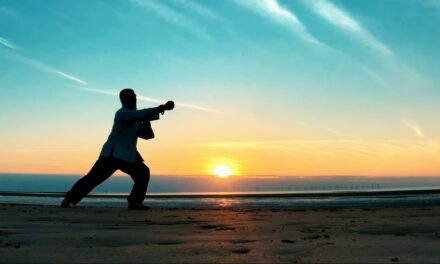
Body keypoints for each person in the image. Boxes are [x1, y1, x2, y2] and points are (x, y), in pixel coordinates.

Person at [61, 88, 174, 210]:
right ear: (124, 100)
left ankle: (135, 202)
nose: (134, 98)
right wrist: (161, 108)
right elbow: (138, 115)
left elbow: (148, 136)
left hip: (128, 154)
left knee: (143, 173)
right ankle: (68, 200)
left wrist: (147, 122)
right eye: (131, 96)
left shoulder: (135, 118)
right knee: (93, 178)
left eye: (134, 96)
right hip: (112, 155)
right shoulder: (122, 113)